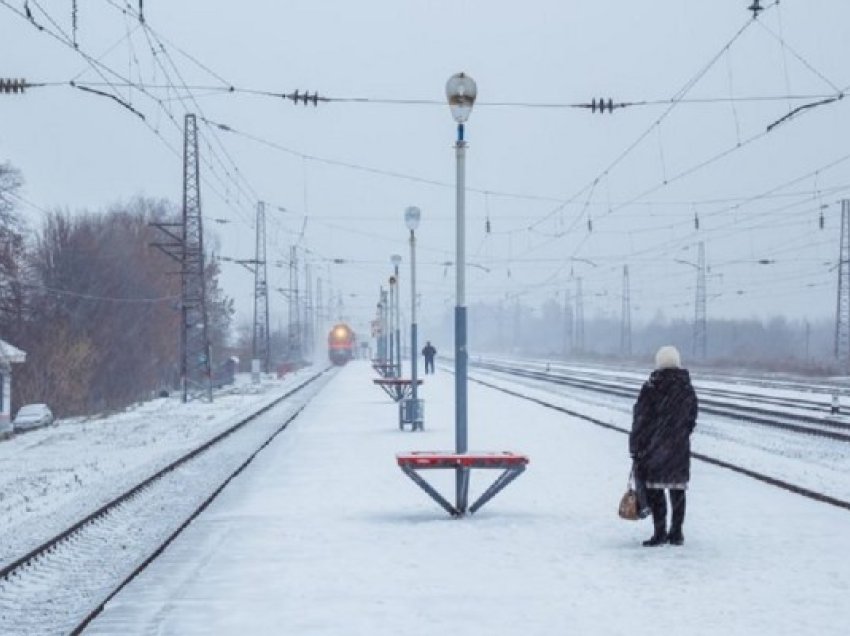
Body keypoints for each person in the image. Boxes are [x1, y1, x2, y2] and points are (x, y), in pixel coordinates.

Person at [629, 345, 698, 547]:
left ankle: (659, 533)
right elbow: (692, 417)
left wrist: (636, 445)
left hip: (654, 447)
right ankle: (676, 533)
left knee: (656, 490)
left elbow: (640, 419)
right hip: (678, 447)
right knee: (678, 491)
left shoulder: (651, 387)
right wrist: (680, 434)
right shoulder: (687, 388)